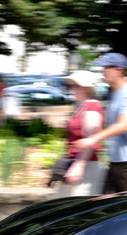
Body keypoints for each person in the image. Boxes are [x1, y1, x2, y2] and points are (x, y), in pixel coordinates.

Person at [74, 53, 127, 193]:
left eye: (106, 68)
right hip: (116, 162)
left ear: (118, 70)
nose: (103, 72)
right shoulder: (115, 93)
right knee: (108, 208)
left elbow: (124, 125)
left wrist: (93, 138)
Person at [55, 70, 106, 198]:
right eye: (70, 85)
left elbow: (91, 139)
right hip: (76, 165)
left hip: (85, 168)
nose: (71, 88)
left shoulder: (92, 107)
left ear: (86, 88)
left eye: (75, 85)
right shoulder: (82, 106)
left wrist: (79, 165)